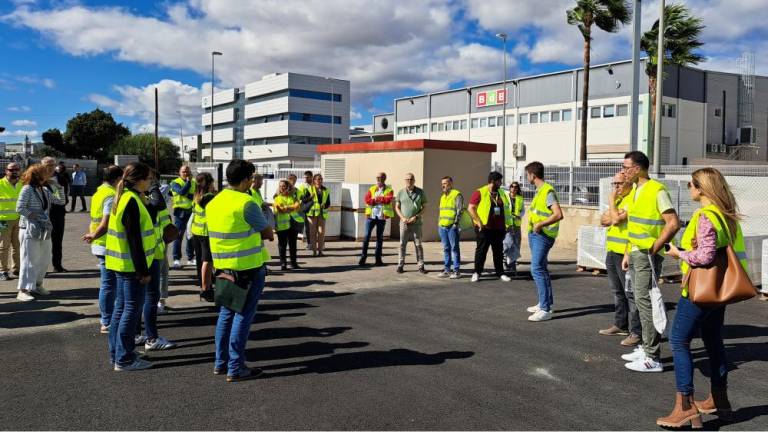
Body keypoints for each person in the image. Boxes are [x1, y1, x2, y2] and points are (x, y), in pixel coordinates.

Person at [657, 168, 746, 428]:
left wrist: (678, 253)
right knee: (713, 340)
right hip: (720, 290)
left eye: (690, 185)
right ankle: (719, 399)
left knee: (678, 340)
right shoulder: (726, 216)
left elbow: (705, 256)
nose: (689, 189)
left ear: (701, 189)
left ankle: (685, 406)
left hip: (700, 291)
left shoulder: (706, 216)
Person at [208, 159, 273, 382]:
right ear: (246, 179)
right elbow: (267, 233)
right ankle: (235, 367)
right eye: (251, 177)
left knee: (226, 314)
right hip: (248, 268)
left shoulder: (214, 202)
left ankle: (220, 362)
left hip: (223, 267)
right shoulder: (246, 203)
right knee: (243, 316)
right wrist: (268, 216)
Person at [621, 151, 680, 373]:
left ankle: (652, 357)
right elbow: (633, 225)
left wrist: (655, 247)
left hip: (646, 254)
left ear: (637, 168)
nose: (624, 171)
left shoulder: (657, 190)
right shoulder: (636, 189)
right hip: (636, 253)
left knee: (646, 302)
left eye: (626, 167)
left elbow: (673, 223)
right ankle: (646, 348)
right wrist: (628, 252)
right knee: (639, 299)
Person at [105, 162, 156, 371]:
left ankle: (117, 353)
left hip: (121, 264)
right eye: (149, 178)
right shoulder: (131, 200)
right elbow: (134, 240)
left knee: (120, 310)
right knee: (130, 311)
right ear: (139, 180)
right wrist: (143, 272)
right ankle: (124, 359)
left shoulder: (124, 197)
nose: (151, 182)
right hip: (131, 267)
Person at [598, 171, 641, 347]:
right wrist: (614, 212)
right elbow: (603, 220)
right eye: (614, 184)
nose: (616, 187)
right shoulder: (619, 200)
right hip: (612, 251)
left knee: (630, 293)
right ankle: (620, 324)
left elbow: (614, 220)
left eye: (619, 184)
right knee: (617, 292)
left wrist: (611, 203)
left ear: (629, 183)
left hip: (625, 252)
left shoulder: (632, 199)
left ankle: (636, 331)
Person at [135, 178, 177, 352]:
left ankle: (138, 335)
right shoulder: (143, 203)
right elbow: (159, 206)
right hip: (149, 256)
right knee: (148, 299)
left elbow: (167, 225)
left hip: (152, 254)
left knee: (137, 301)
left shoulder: (139, 201)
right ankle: (151, 338)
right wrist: (154, 190)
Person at [82, 165, 123, 333]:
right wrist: (94, 235)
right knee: (109, 285)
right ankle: (107, 321)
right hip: (107, 244)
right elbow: (105, 223)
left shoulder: (99, 192)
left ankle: (108, 319)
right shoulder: (110, 195)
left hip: (101, 244)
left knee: (108, 284)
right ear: (118, 179)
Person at [525, 162, 564, 322]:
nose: (526, 177)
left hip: (543, 235)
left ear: (533, 175)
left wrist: (540, 224)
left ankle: (545, 309)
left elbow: (558, 214)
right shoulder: (540, 191)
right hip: (536, 235)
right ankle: (544, 302)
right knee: (541, 269)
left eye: (527, 174)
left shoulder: (547, 191)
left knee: (537, 269)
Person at [15, 164, 54, 302]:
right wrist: (36, 217)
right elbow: (19, 208)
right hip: (29, 229)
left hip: (44, 230)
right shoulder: (26, 189)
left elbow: (60, 201)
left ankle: (37, 285)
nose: (49, 174)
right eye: (46, 172)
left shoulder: (44, 189)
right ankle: (23, 290)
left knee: (44, 258)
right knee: (29, 260)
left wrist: (58, 187)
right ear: (37, 175)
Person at [467, 171, 513, 283]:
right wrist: (478, 222)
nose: (501, 183)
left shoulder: (501, 193)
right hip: (484, 228)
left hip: (499, 229)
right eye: (499, 181)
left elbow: (507, 209)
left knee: (498, 251)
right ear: (493, 181)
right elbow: (471, 208)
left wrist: (508, 224)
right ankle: (477, 272)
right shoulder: (480, 192)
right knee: (481, 251)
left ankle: (500, 273)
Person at [190, 172, 216, 302]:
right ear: (210, 183)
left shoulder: (196, 195)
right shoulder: (209, 196)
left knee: (200, 260)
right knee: (207, 260)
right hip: (206, 232)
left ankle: (203, 284)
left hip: (196, 231)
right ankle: (206, 289)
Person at [395, 173, 427, 274]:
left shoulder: (420, 192)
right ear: (405, 180)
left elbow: (424, 207)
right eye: (407, 179)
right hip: (404, 223)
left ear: (414, 180)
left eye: (411, 179)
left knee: (418, 244)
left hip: (416, 223)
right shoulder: (401, 192)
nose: (409, 181)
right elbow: (397, 207)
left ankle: (421, 266)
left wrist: (416, 216)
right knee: (402, 244)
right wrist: (402, 218)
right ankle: (400, 265)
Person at [359, 172, 394, 267]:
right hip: (371, 216)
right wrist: (379, 199)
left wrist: (376, 199)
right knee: (366, 237)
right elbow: (367, 200)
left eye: (381, 177)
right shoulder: (372, 188)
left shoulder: (389, 190)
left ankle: (378, 259)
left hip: (381, 217)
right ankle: (363, 257)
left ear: (384, 178)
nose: (379, 179)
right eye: (377, 177)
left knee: (379, 238)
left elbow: (388, 200)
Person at [170, 165, 196, 269]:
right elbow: (182, 192)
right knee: (178, 236)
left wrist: (187, 193)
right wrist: (188, 183)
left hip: (191, 211)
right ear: (179, 173)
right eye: (184, 171)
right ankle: (176, 259)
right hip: (180, 212)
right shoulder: (175, 182)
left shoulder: (193, 182)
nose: (186, 173)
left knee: (190, 236)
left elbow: (194, 196)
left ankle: (190, 258)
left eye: (188, 171)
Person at [274, 179, 304, 271]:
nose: (282, 188)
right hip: (282, 225)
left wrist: (286, 207)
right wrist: (290, 208)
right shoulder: (277, 198)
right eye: (280, 186)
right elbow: (280, 210)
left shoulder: (293, 197)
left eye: (284, 186)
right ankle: (283, 264)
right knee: (282, 245)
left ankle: (294, 263)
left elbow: (297, 206)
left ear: (288, 187)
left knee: (293, 244)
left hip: (293, 223)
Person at [0, 163, 23, 281]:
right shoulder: (0, 184)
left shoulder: (21, 184)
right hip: (3, 220)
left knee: (17, 246)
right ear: (6, 171)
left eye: (17, 170)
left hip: (18, 220)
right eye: (11, 170)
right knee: (4, 246)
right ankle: (3, 271)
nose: (14, 171)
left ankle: (17, 268)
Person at [437, 176, 463, 279]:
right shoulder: (442, 197)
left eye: (445, 183)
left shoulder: (457, 194)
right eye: (442, 183)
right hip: (442, 227)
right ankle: (447, 270)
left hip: (452, 227)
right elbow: (440, 211)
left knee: (454, 249)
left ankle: (456, 271)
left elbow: (459, 210)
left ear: (451, 184)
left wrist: (455, 224)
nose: (443, 185)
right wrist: (439, 223)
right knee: (446, 248)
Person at [48, 159, 68, 272]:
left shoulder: (61, 179)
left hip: (58, 213)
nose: (49, 167)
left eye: (52, 165)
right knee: (42, 242)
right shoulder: (38, 179)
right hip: (44, 214)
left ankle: (57, 265)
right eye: (47, 165)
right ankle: (42, 268)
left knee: (57, 240)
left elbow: (66, 194)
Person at [249, 173, 272, 266]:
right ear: (255, 180)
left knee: (260, 245)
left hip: (258, 223)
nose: (262, 183)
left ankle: (261, 264)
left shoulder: (257, 192)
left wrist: (270, 204)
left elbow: (260, 204)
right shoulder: (250, 193)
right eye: (261, 181)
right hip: (254, 224)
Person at [502, 182, 525, 276]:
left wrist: (519, 215)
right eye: (512, 186)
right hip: (507, 224)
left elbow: (523, 210)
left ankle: (512, 264)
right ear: (509, 188)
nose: (514, 188)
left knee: (516, 244)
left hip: (516, 224)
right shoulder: (505, 196)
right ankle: (505, 260)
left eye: (516, 187)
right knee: (507, 244)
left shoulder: (520, 198)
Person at [306, 173, 330, 257]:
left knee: (321, 233)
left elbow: (328, 203)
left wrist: (325, 205)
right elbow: (304, 201)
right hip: (312, 214)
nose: (319, 180)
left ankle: (320, 251)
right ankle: (314, 251)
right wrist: (310, 197)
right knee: (313, 233)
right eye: (318, 179)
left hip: (321, 214)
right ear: (314, 180)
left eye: (321, 179)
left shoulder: (326, 190)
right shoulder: (310, 189)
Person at [298, 170, 313, 250]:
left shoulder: (315, 185)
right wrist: (310, 197)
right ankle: (309, 243)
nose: (305, 179)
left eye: (307, 177)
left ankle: (319, 243)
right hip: (307, 210)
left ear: (311, 177)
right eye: (305, 177)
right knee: (308, 228)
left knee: (316, 228)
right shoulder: (302, 187)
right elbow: (302, 198)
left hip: (315, 210)